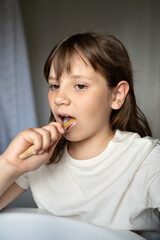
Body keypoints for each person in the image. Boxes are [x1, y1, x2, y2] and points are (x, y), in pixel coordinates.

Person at [0, 32, 159, 236]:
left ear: (117, 95)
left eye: (80, 86)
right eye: (55, 86)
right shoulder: (39, 159)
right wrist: (9, 164)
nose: (59, 98)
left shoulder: (145, 160)